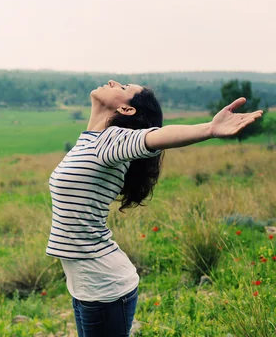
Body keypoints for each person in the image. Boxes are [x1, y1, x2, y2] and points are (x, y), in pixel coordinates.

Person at [45, 80, 263, 337]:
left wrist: (209, 129)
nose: (114, 81)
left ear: (127, 110)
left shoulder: (110, 141)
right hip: (85, 283)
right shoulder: (91, 141)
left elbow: (155, 137)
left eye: (125, 88)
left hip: (103, 286)